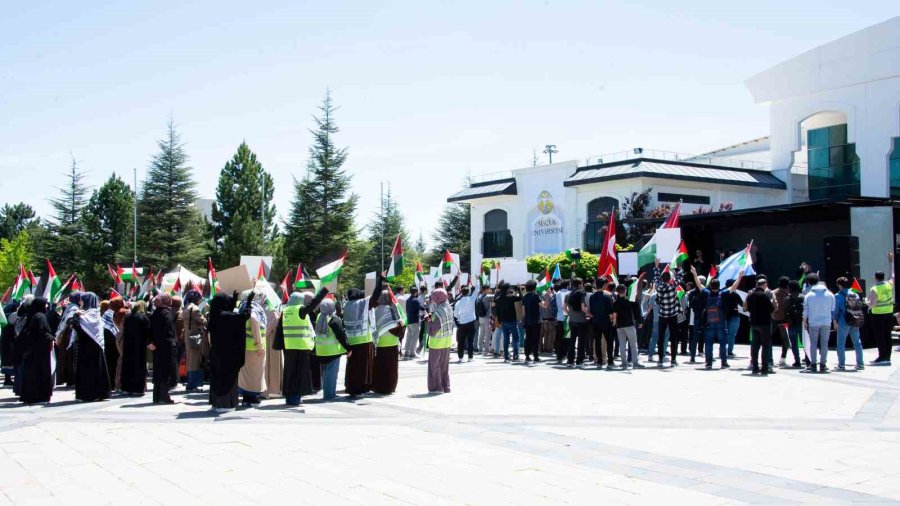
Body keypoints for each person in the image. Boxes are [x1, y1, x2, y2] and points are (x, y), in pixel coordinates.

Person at [276, 289, 326, 405]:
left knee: (289, 373)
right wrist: (324, 290)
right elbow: (313, 303)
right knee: (299, 374)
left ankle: (289, 397)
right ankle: (295, 398)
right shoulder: (300, 310)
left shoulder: (285, 310)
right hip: (300, 346)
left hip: (288, 346)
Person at [690, 266, 741, 369]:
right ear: (719, 286)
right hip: (721, 322)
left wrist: (694, 273)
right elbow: (733, 287)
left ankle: (709, 363)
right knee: (723, 343)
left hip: (709, 322)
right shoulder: (723, 294)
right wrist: (740, 277)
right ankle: (723, 362)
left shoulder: (706, 293)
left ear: (710, 286)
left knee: (708, 343)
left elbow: (699, 285)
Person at [208, 292, 251, 413]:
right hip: (229, 354)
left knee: (217, 378)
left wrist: (234, 299)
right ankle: (226, 405)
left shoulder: (214, 316)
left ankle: (216, 404)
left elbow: (230, 312)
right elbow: (243, 317)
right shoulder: (229, 317)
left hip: (216, 352)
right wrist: (248, 304)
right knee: (228, 379)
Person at [71, 292, 111, 402]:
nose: (80, 302)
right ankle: (97, 393)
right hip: (92, 346)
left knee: (88, 371)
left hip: (89, 347)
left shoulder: (90, 315)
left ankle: (89, 394)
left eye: (82, 300)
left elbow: (77, 326)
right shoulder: (92, 313)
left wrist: (76, 316)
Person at [17, 297, 55, 404]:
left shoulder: (34, 316)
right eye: (45, 304)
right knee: (39, 374)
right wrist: (52, 338)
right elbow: (42, 333)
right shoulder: (40, 317)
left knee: (32, 374)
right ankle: (39, 396)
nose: (47, 306)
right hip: (39, 352)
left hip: (32, 352)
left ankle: (31, 396)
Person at [314, 297, 351, 401]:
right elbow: (341, 336)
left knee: (326, 374)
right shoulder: (334, 319)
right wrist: (348, 348)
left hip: (321, 351)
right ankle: (329, 395)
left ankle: (328, 393)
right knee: (331, 374)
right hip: (333, 351)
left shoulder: (319, 317)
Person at [343, 285, 377, 397]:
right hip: (363, 339)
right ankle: (361, 389)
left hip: (351, 341)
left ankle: (351, 387)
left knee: (353, 366)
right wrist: (381, 280)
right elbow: (375, 297)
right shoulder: (361, 304)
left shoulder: (347, 305)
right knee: (363, 367)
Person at [372, 285, 404, 394]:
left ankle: (379, 386)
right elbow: (396, 326)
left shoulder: (375, 310)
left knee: (380, 367)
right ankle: (390, 387)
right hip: (392, 342)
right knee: (391, 368)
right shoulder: (391, 309)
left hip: (380, 343)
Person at [238, 290, 268, 406]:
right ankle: (252, 397)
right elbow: (255, 324)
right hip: (254, 347)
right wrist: (259, 345)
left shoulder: (242, 307)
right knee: (255, 374)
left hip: (245, 345)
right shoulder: (254, 309)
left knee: (247, 374)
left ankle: (247, 397)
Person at [149, 294, 178, 404]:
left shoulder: (154, 314)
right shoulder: (167, 313)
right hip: (167, 347)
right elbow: (169, 331)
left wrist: (153, 343)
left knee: (158, 370)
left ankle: (156, 397)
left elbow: (150, 331)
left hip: (156, 346)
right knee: (166, 371)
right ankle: (164, 397)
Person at [803, 273, 835, 373]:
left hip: (813, 322)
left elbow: (805, 310)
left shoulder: (808, 295)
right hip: (826, 321)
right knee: (824, 344)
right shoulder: (830, 294)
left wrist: (804, 320)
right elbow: (832, 308)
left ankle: (813, 364)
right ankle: (823, 364)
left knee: (813, 344)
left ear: (809, 282)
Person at [868, 252, 895, 366]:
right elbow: (892, 275)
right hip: (889, 313)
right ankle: (887, 357)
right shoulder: (889, 284)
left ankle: (882, 356)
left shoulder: (874, 288)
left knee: (880, 336)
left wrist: (866, 301)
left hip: (878, 315)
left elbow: (872, 304)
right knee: (887, 335)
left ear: (875, 277)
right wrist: (891, 261)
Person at [833, 277, 866, 371]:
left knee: (841, 343)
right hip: (855, 320)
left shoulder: (838, 296)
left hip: (844, 321)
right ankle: (860, 363)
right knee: (857, 342)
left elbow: (835, 311)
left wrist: (835, 322)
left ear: (839, 285)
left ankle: (841, 364)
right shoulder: (855, 294)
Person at [120, 301, 151, 396]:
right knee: (139, 367)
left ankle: (126, 388)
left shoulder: (127, 317)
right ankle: (138, 389)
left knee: (127, 367)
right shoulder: (143, 317)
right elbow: (148, 332)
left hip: (128, 346)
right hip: (139, 346)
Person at [745, 278, 775, 375]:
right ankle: (764, 367)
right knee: (765, 346)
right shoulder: (765, 296)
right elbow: (771, 309)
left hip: (754, 323)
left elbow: (746, 308)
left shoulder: (750, 296)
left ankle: (755, 367)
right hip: (765, 324)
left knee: (755, 346)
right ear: (764, 285)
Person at [426, 286, 453, 393]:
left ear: (438, 298)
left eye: (433, 297)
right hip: (447, 342)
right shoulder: (448, 308)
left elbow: (432, 331)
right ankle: (445, 386)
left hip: (436, 343)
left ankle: (436, 387)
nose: (432, 300)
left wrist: (428, 321)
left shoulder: (438, 312)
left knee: (434, 367)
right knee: (444, 367)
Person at [612, 283, 643, 369]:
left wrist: (614, 323)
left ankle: (624, 363)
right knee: (633, 344)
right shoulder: (630, 301)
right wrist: (639, 322)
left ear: (617, 292)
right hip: (629, 325)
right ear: (625, 291)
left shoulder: (615, 303)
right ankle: (635, 363)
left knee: (622, 345)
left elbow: (614, 315)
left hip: (619, 326)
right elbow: (636, 312)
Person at [654, 268, 680, 368]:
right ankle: (673, 359)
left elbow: (656, 278)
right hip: (673, 315)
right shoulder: (673, 286)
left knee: (661, 338)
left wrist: (656, 267)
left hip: (662, 315)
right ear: (670, 279)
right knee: (674, 338)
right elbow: (680, 277)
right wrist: (678, 269)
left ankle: (660, 359)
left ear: (662, 279)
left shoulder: (658, 287)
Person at [181, 290, 207, 393]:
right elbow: (204, 321)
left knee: (190, 360)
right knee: (195, 361)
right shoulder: (195, 309)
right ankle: (193, 385)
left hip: (188, 337)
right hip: (196, 336)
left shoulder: (186, 308)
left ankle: (190, 383)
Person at [54, 292, 82, 387]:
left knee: (67, 357)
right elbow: (69, 320)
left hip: (67, 335)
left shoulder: (71, 306)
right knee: (71, 357)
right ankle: (71, 379)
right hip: (70, 335)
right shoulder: (74, 308)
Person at [587, 279, 615, 369]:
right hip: (606, 321)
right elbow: (611, 311)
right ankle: (610, 360)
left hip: (595, 321)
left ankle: (599, 361)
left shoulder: (592, 297)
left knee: (597, 341)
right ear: (604, 286)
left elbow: (591, 311)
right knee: (609, 341)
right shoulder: (607, 297)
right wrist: (613, 320)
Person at [495, 281, 522, 362]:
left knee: (506, 339)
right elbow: (521, 297)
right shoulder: (511, 298)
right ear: (507, 289)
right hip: (512, 320)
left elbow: (498, 311)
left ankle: (506, 356)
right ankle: (515, 355)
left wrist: (499, 321)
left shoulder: (498, 299)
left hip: (503, 321)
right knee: (516, 338)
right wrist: (519, 289)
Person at [453, 280, 478, 363]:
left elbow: (455, 315)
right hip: (471, 322)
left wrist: (459, 319)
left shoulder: (458, 303)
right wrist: (477, 279)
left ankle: (460, 357)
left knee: (461, 341)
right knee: (470, 341)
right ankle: (470, 357)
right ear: (469, 292)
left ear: (461, 292)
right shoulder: (472, 299)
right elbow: (477, 289)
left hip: (462, 323)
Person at [566, 278, 589, 368]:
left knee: (572, 340)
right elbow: (583, 308)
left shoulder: (568, 294)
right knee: (581, 341)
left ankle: (570, 360)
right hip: (582, 320)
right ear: (580, 284)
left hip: (572, 320)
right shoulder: (582, 294)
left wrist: (570, 314)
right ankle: (579, 361)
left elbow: (565, 307)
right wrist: (589, 313)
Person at [771, 277, 793, 366]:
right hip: (784, 319)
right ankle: (783, 358)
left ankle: (769, 358)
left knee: (768, 338)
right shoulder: (789, 294)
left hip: (774, 317)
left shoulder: (773, 292)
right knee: (785, 340)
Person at [521, 280, 542, 363]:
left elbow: (523, 310)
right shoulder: (536, 296)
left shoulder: (525, 296)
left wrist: (524, 319)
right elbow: (543, 306)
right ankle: (536, 356)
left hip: (527, 320)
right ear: (534, 287)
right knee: (535, 339)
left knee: (528, 338)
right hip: (536, 320)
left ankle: (527, 355)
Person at [1, 301, 19, 386]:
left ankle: (7, 379)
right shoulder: (10, 317)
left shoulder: (4, 317)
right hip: (10, 342)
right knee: (10, 361)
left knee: (7, 361)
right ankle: (8, 379)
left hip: (5, 342)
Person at [404, 287, 423, 359]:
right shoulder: (416, 300)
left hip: (409, 320)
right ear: (416, 292)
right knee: (414, 337)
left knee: (408, 337)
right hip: (415, 321)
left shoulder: (408, 300)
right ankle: (412, 352)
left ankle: (406, 351)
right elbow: (420, 308)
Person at [554, 281, 569, 363]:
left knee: (559, 337)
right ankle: (564, 354)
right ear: (567, 285)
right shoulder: (569, 293)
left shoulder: (557, 293)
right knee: (566, 337)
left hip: (559, 317)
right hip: (567, 317)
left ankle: (559, 355)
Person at [540, 284, 556, 355]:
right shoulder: (553, 297)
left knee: (545, 334)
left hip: (543, 318)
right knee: (551, 334)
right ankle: (549, 349)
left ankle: (542, 348)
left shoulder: (541, 297)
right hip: (551, 318)